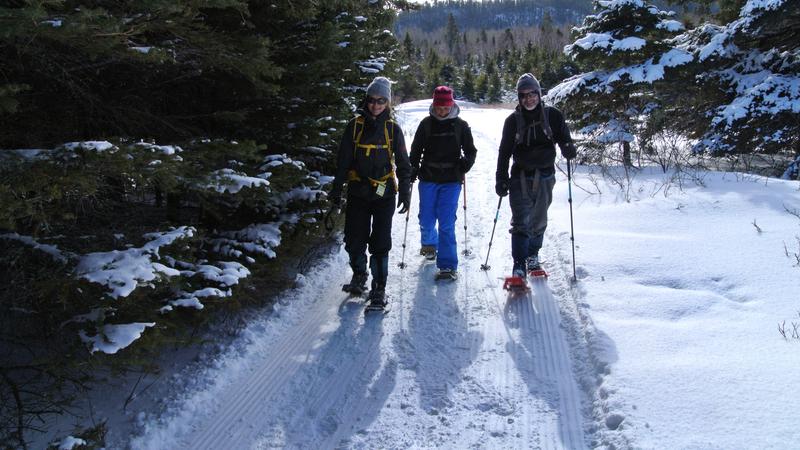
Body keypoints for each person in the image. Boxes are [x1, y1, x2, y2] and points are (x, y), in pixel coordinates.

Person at [329, 76, 412, 309]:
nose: (376, 105)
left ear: (387, 102)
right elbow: (343, 162)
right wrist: (336, 191)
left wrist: (405, 192)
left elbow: (404, 164)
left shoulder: (393, 130)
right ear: (366, 100)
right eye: (372, 100)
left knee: (380, 242)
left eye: (381, 101)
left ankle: (379, 287)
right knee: (354, 239)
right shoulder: (354, 127)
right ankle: (359, 275)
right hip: (358, 192)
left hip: (384, 194)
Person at [495, 73, 577, 278]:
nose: (528, 98)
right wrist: (501, 177)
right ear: (519, 98)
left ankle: (532, 256)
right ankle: (519, 264)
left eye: (532, 94)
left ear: (539, 94)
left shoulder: (553, 115)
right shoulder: (512, 121)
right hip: (520, 178)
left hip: (546, 176)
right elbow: (504, 151)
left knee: (539, 220)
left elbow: (564, 138)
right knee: (521, 221)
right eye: (523, 95)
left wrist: (568, 147)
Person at [409, 86, 477, 280]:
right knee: (426, 219)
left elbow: (471, 151)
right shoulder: (426, 124)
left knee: (446, 222)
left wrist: (465, 164)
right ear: (433, 105)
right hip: (428, 177)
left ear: (452, 104)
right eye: (438, 107)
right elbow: (415, 151)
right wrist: (413, 168)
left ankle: (447, 265)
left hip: (451, 180)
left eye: (445, 107)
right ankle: (430, 245)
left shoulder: (460, 125)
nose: (441, 111)